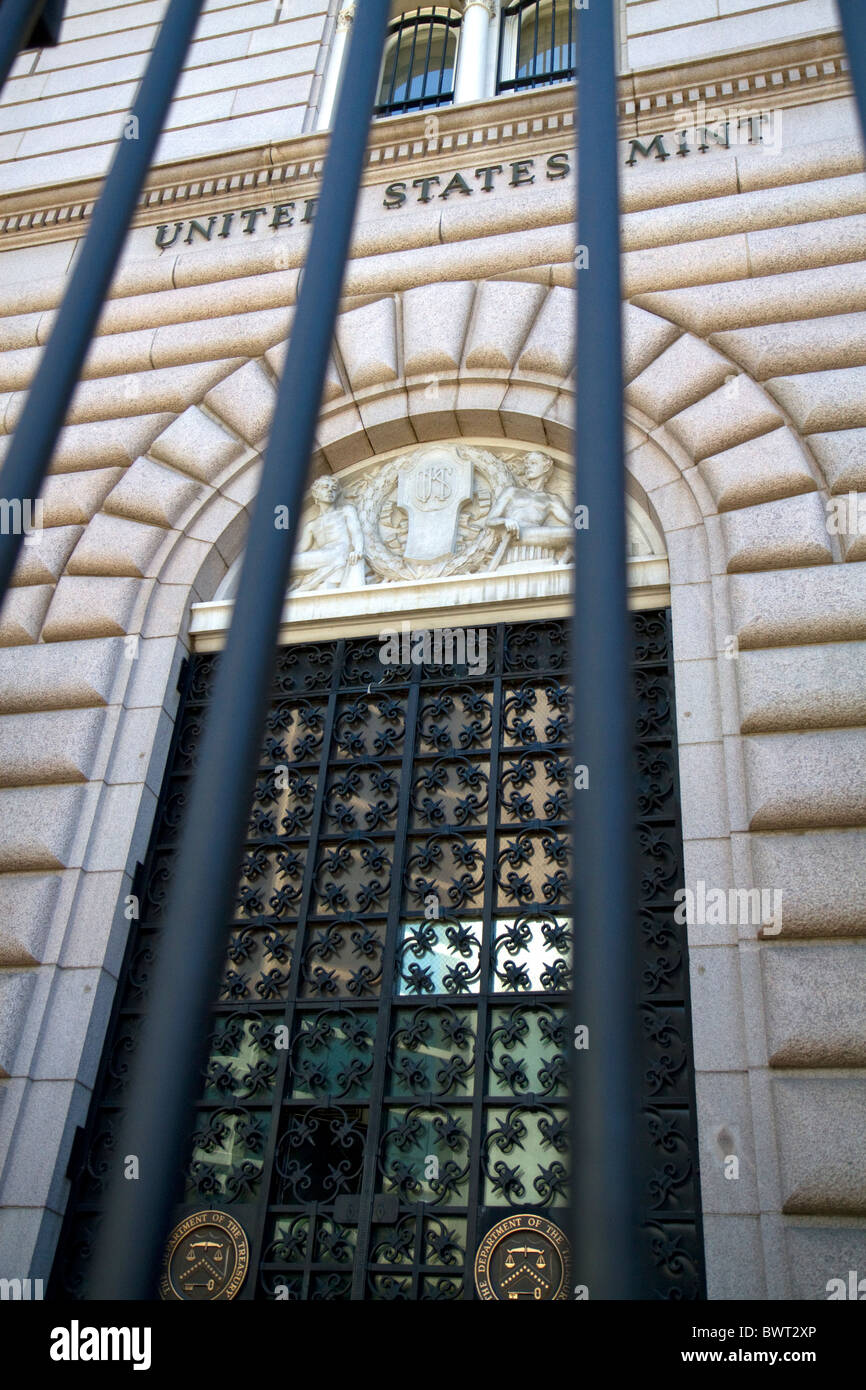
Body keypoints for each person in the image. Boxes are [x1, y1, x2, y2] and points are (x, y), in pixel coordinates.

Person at [484, 452, 572, 565]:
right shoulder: (512, 491)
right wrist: (505, 521)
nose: (528, 467)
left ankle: (564, 561)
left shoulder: (552, 499)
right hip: (516, 535)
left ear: (546, 467)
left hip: (537, 535)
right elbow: (490, 520)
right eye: (527, 465)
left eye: (533, 463)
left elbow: (573, 522)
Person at [293, 475, 367, 590]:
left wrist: (358, 550)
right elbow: (301, 548)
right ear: (316, 494)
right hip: (324, 555)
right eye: (325, 487)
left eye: (333, 489)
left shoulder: (346, 511)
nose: (330, 491)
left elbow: (356, 532)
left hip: (339, 552)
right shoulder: (311, 525)